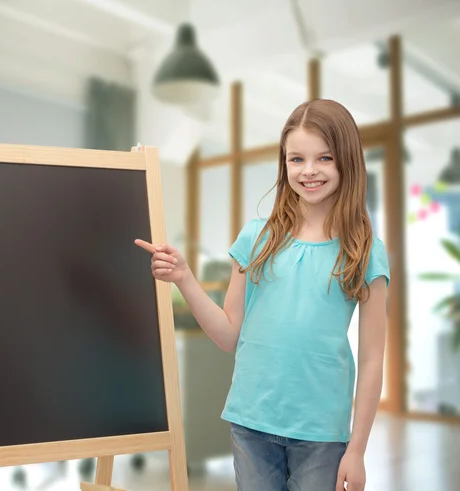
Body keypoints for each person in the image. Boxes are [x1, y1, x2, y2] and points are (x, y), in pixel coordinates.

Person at [135, 99, 390, 491]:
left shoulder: (365, 250)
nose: (308, 171)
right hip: (251, 423)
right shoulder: (257, 237)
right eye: (296, 159)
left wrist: (356, 450)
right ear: (283, 163)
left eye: (324, 157)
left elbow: (373, 359)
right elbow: (228, 335)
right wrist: (185, 278)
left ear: (348, 162)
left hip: (322, 434)